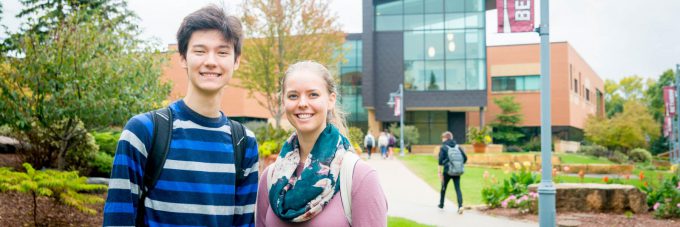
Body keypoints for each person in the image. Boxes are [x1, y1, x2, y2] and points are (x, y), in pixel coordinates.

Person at [103, 5, 259, 226]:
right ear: (183, 58)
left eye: (222, 52)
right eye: (200, 51)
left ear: (236, 61)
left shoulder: (244, 142)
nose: (211, 61)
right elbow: (118, 219)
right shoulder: (143, 131)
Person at [256, 61, 388, 226]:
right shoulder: (270, 178)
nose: (302, 103)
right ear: (284, 102)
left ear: (331, 100)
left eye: (313, 95)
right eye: (293, 96)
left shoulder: (359, 177)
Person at [438, 131, 467, 214]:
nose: (442, 139)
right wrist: (458, 164)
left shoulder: (443, 147)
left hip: (447, 171)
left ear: (446, 138)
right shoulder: (458, 147)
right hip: (457, 171)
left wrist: (439, 172)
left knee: (443, 187)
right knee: (457, 188)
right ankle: (460, 206)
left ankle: (441, 204)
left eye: (443, 138)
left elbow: (440, 161)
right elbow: (465, 158)